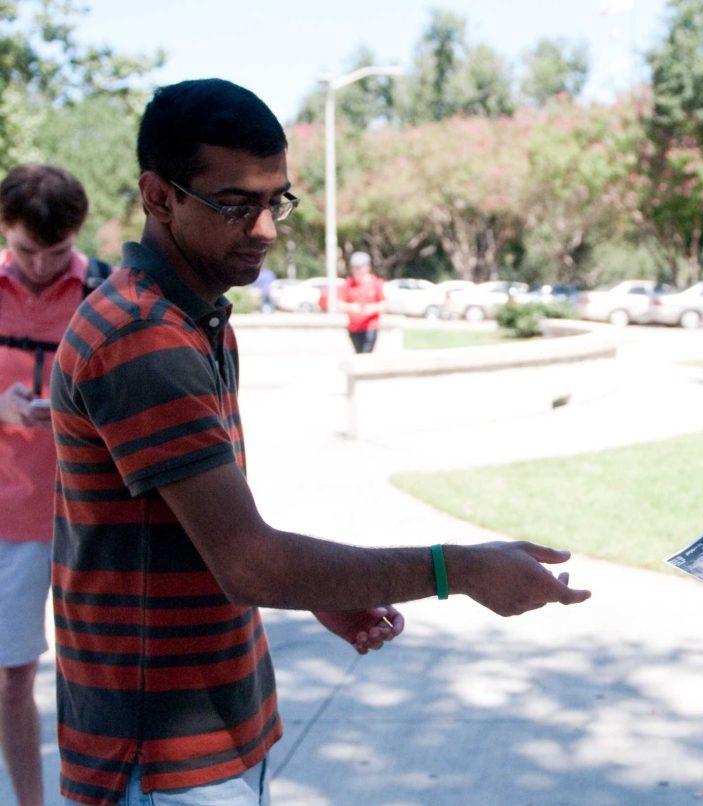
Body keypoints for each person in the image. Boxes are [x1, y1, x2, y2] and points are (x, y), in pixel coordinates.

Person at [49, 78, 590, 806]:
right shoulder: (141, 336)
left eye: (277, 200)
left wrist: (316, 593)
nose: (267, 228)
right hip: (162, 756)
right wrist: (456, 569)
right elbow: (249, 563)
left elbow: (209, 534)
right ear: (159, 196)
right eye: (237, 204)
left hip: (210, 737)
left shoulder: (192, 317)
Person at [0, 164, 95, 806]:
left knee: (100, 674)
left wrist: (71, 407)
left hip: (87, 516)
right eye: (26, 250)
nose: (39, 266)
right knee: (13, 678)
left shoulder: (103, 290)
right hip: (11, 521)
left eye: (55, 252)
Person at [341, 250, 385, 353]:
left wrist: (373, 308)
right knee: (359, 353)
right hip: (354, 328)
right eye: (354, 268)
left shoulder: (375, 283)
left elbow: (385, 303)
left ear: (367, 267)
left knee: (366, 354)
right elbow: (339, 303)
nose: (357, 271)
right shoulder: (349, 284)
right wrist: (350, 307)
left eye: (359, 268)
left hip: (370, 326)